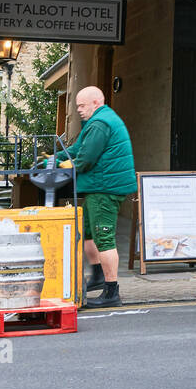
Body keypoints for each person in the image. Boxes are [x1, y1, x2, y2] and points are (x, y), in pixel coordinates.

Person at [63, 86, 136, 308]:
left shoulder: (100, 124)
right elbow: (77, 148)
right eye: (76, 106)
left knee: (104, 238)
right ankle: (97, 276)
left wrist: (62, 165)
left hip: (105, 189)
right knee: (88, 233)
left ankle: (111, 292)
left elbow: (84, 160)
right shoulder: (98, 122)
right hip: (100, 187)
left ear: (96, 103)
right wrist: (54, 156)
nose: (78, 111)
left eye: (82, 106)